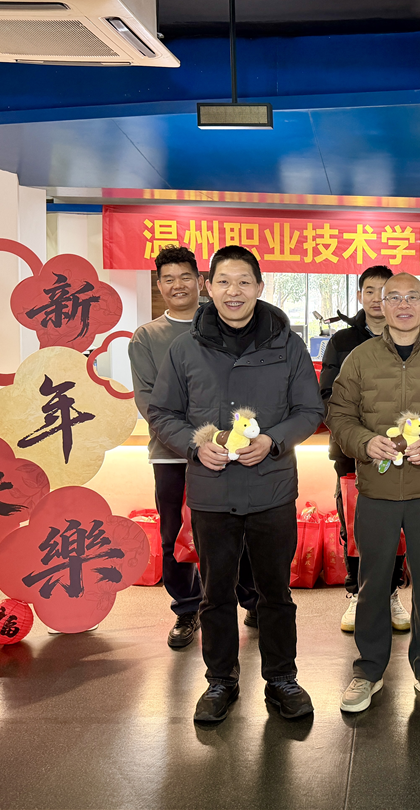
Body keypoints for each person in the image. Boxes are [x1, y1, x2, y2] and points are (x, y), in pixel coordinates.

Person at [148, 246, 324, 725]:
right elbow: (162, 411)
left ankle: (282, 679)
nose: (234, 291)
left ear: (260, 288)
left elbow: (310, 410)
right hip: (213, 491)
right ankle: (220, 680)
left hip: (271, 489)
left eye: (244, 281)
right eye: (224, 281)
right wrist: (194, 445)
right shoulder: (185, 348)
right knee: (216, 594)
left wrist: (273, 440)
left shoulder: (287, 345)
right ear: (209, 287)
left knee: (275, 593)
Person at [327, 273, 420, 714]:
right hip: (376, 490)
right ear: (380, 303)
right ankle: (368, 670)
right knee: (373, 584)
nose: (403, 304)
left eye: (413, 297)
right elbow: (339, 414)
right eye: (394, 297)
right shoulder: (360, 358)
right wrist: (362, 441)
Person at [131, 246, 259, 650]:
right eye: (168, 279)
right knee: (175, 534)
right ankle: (187, 609)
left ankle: (252, 601)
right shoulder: (147, 337)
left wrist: (228, 438)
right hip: (172, 453)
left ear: (201, 282)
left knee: (238, 527)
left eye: (185, 276)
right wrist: (195, 439)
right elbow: (149, 401)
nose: (178, 285)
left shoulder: (225, 324)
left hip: (230, 451)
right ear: (159, 286)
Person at [318, 265, 410, 635]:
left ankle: (391, 593)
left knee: (397, 525)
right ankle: (358, 594)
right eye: (369, 291)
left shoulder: (409, 338)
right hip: (352, 453)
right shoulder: (342, 341)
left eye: (385, 291)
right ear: (360, 296)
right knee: (355, 524)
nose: (376, 298)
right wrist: (362, 436)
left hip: (400, 453)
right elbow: (328, 396)